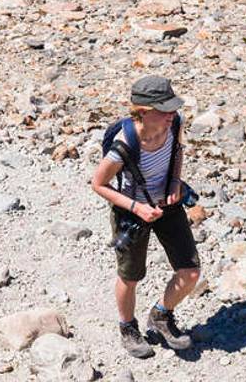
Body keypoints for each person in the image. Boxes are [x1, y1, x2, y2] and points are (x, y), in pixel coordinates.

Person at [90, 75, 201, 359]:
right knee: (130, 276)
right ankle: (128, 327)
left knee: (190, 273)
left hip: (168, 205)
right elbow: (98, 184)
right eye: (165, 110)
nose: (172, 114)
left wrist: (175, 181)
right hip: (133, 213)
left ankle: (161, 315)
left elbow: (177, 151)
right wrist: (136, 207)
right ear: (143, 110)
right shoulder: (123, 143)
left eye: (173, 108)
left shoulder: (174, 123)